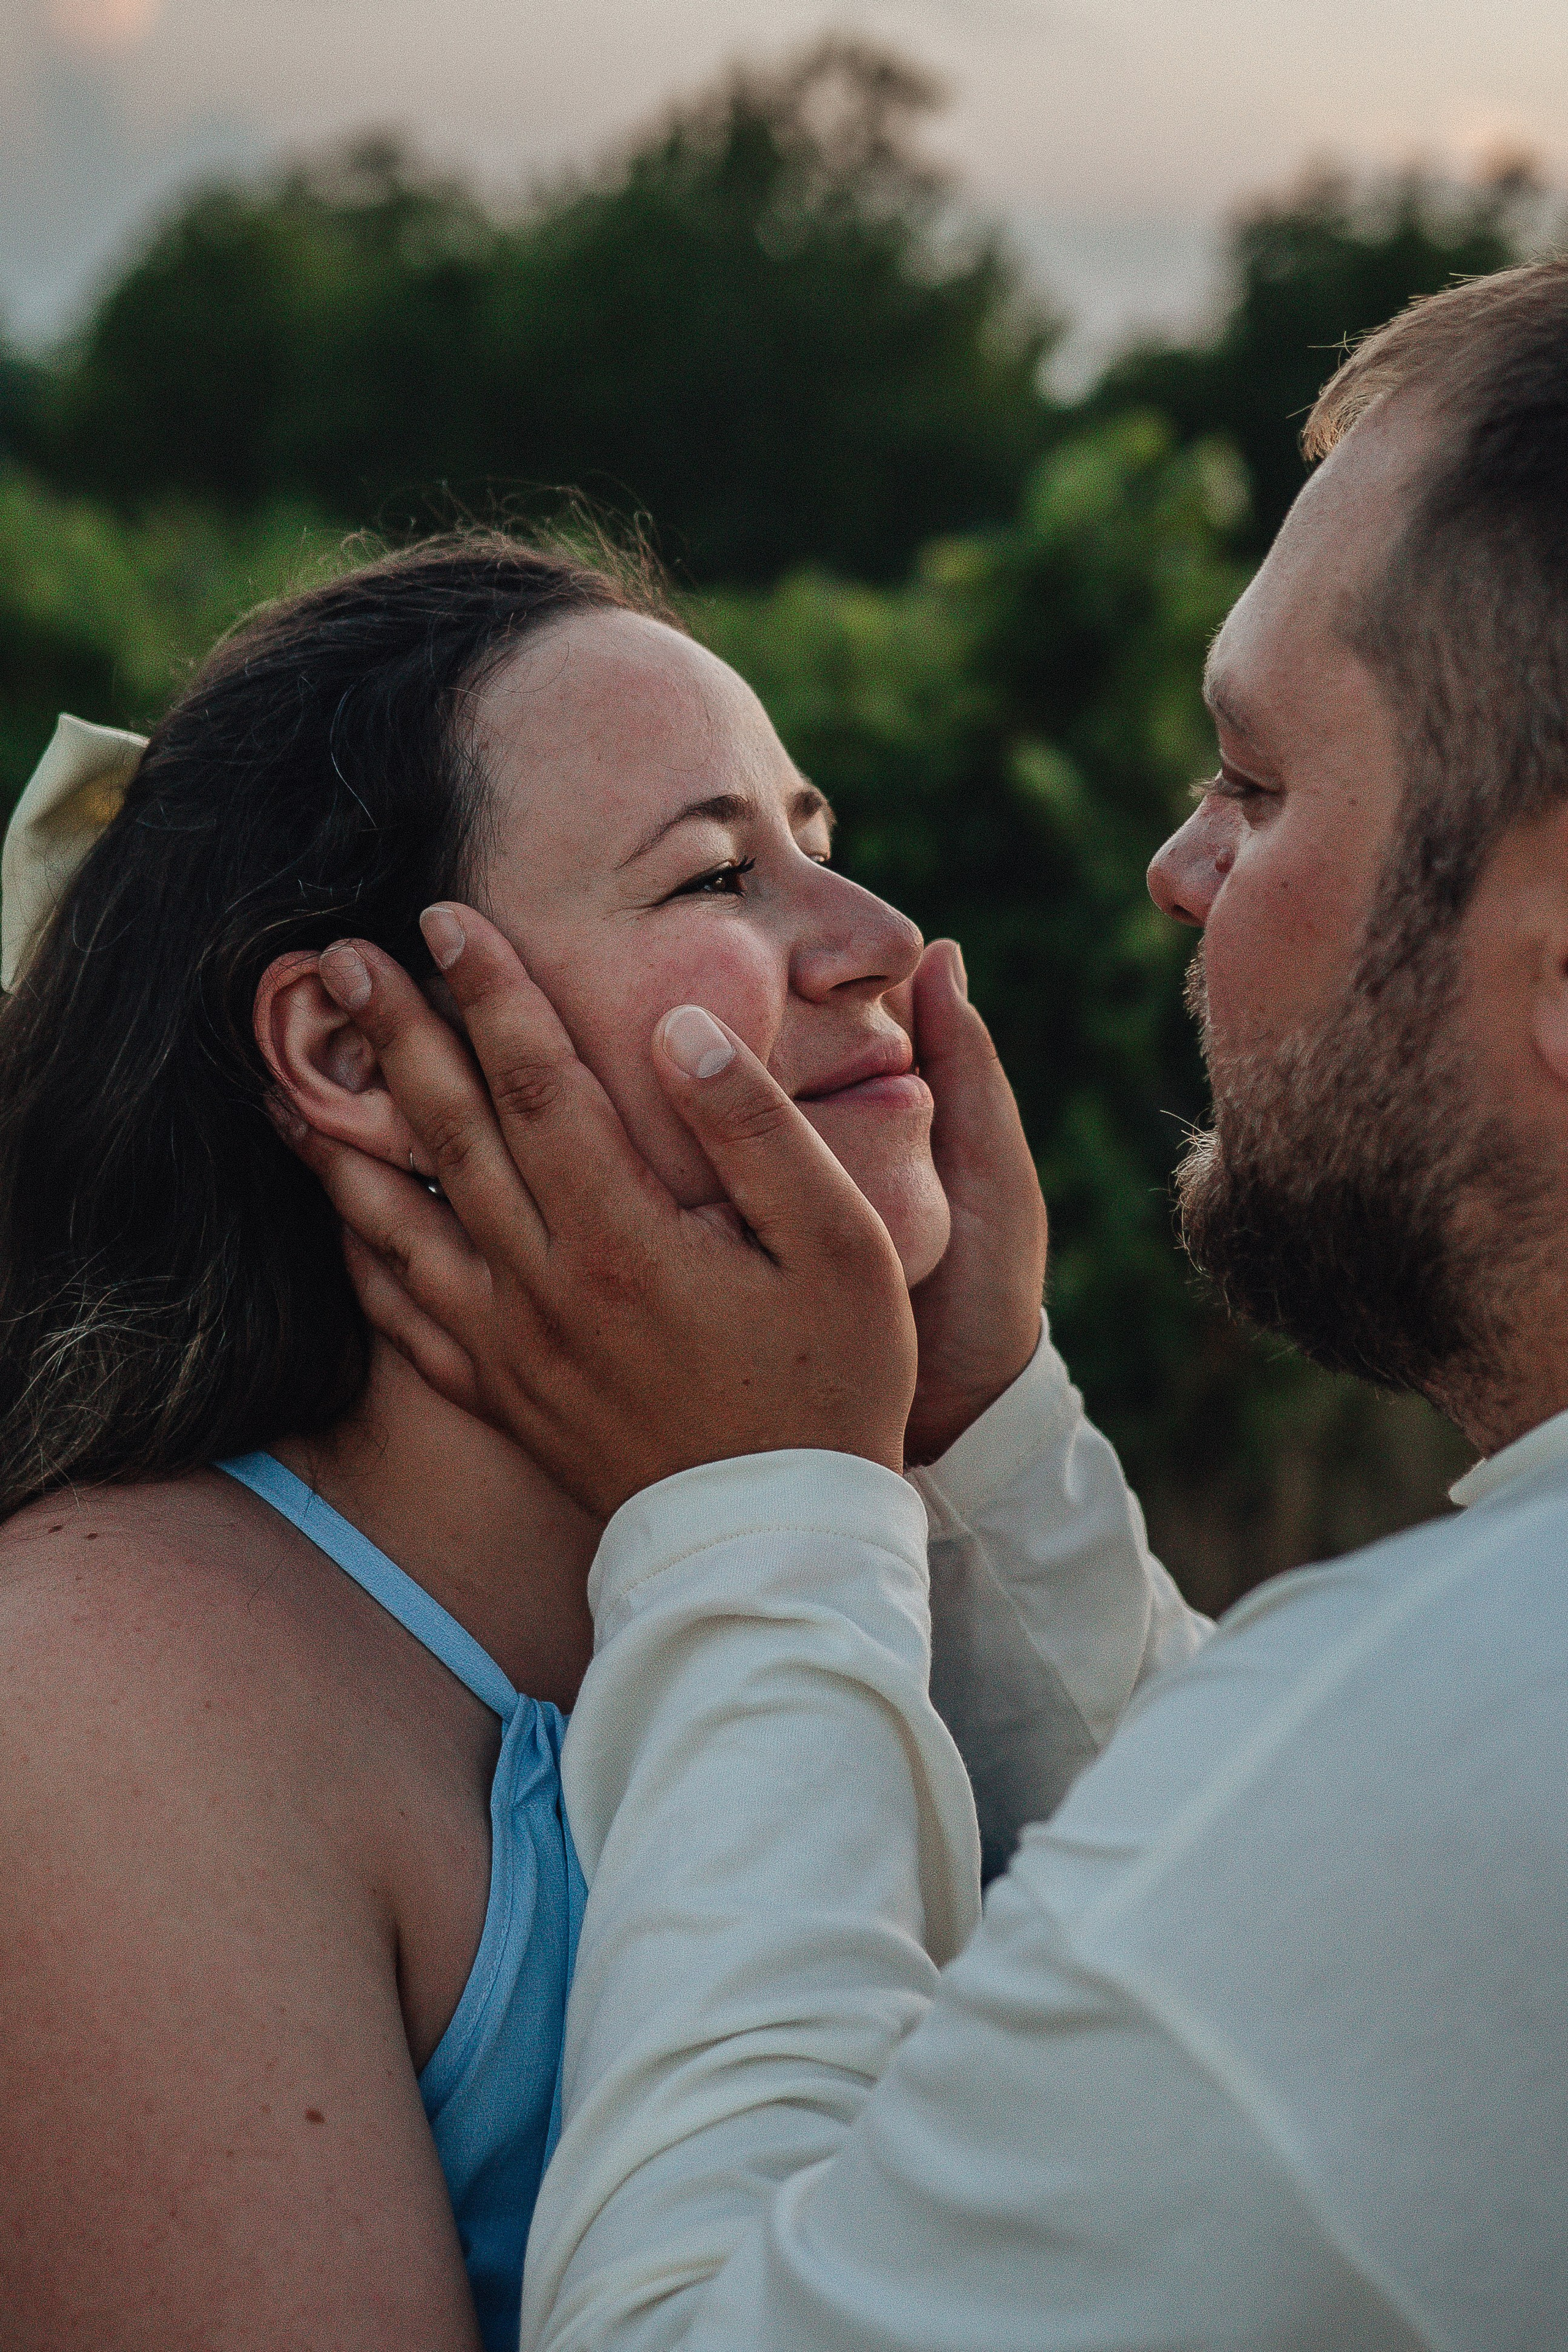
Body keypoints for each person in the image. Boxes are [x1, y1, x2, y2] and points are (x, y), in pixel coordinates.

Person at [307, 261, 1568, 2349]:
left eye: (1257, 785)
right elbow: (1255, 1989)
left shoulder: (1440, 1768)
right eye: (719, 872)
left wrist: (766, 1516)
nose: (1177, 865)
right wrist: (976, 1434)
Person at [0, 532, 1102, 2349]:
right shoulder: (97, 1705)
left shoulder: (854, 1546)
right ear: (354, 1055)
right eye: (720, 875)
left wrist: (959, 1443)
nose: (883, 947)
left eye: (818, 845)